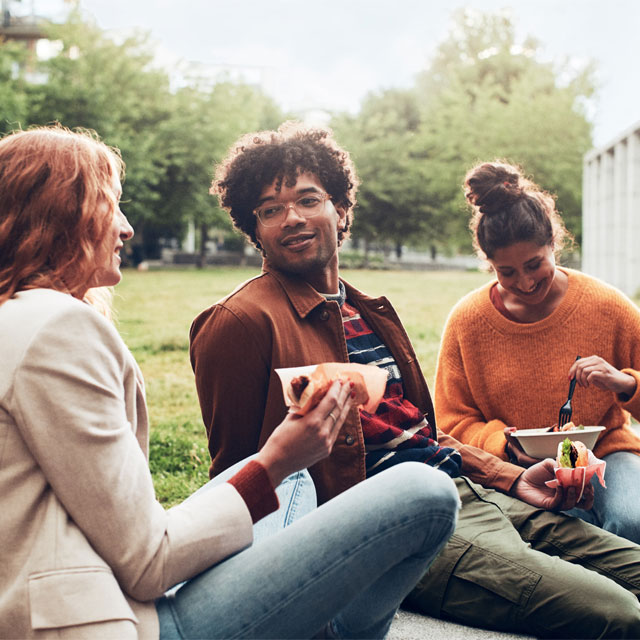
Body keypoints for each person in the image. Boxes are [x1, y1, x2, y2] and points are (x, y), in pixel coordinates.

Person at [0, 125, 462, 640]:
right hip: (127, 622)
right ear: (60, 218)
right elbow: (149, 562)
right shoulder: (57, 328)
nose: (127, 228)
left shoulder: (19, 319)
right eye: (111, 204)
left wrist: (278, 469)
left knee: (292, 483)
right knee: (427, 491)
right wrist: (277, 458)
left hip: (101, 577)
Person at [190, 122, 640, 639]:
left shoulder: (366, 310)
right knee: (619, 614)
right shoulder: (239, 323)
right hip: (395, 524)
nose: (291, 217)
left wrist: (511, 477)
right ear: (255, 229)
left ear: (339, 209)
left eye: (307, 199)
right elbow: (234, 474)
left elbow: (423, 433)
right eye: (270, 209)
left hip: (469, 488)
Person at [434, 160, 640, 545]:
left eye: (535, 264)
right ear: (489, 264)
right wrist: (502, 444)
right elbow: (450, 421)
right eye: (507, 272)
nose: (525, 283)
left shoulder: (607, 306)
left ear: (553, 245)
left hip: (608, 454)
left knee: (632, 522)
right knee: (561, 539)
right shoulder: (468, 321)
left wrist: (626, 384)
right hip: (515, 468)